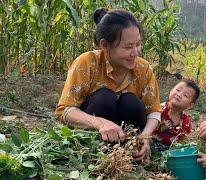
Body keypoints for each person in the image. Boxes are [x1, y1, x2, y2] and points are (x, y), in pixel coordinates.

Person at [55, 7, 161, 161]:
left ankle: (130, 155)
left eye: (138, 44)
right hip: (94, 137)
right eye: (128, 47)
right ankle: (96, 156)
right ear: (104, 45)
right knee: (105, 97)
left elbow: (154, 111)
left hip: (128, 139)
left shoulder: (143, 69)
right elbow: (65, 110)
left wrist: (145, 137)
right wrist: (100, 123)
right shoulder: (86, 63)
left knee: (131, 102)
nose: (136, 52)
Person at [152, 78, 200, 150]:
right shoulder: (158, 110)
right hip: (151, 146)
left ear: (190, 105)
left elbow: (182, 140)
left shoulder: (185, 121)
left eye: (185, 95)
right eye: (178, 90)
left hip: (170, 152)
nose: (179, 94)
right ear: (171, 91)